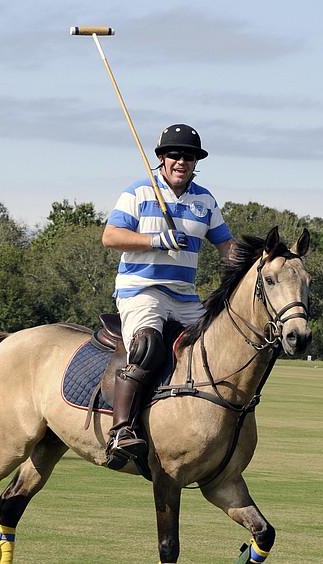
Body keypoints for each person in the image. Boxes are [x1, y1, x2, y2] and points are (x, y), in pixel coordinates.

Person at [101, 124, 235, 469]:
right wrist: (155, 241)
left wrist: (261, 264)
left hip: (185, 296)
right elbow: (111, 236)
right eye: (174, 154)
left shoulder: (205, 200)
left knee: (218, 348)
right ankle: (121, 430)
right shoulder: (139, 191)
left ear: (195, 163)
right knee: (147, 346)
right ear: (161, 159)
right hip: (141, 290)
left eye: (188, 156)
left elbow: (226, 246)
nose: (181, 161)